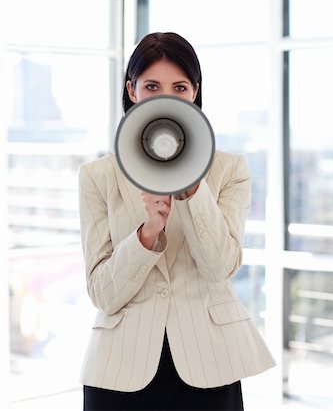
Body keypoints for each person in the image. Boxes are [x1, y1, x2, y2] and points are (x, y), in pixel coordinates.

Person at [78, 32, 275, 411]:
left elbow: (220, 267)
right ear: (132, 90)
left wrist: (192, 194)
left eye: (179, 86)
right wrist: (147, 234)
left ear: (194, 93)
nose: (166, 97)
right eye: (152, 86)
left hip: (210, 365)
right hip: (119, 369)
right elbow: (102, 294)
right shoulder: (97, 176)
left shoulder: (229, 169)